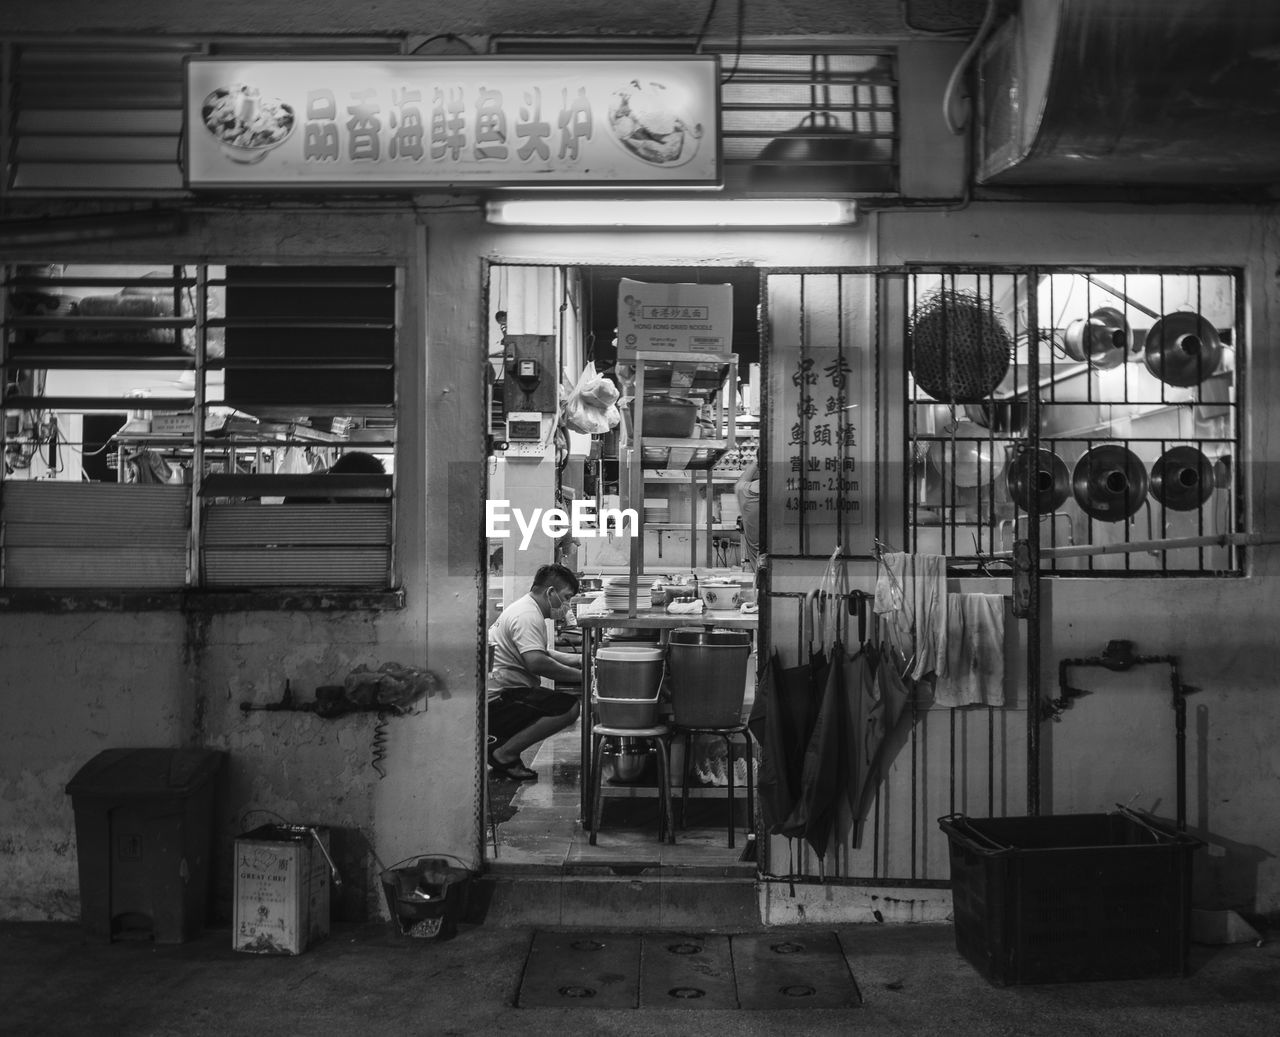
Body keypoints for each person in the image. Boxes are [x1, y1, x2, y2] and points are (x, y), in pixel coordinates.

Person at [485, 563, 583, 781]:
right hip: (500, 698)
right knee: (569, 708)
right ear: (550, 592)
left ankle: (502, 747)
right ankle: (503, 754)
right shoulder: (528, 615)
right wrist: (584, 678)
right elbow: (537, 662)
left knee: (551, 701)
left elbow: (541, 651)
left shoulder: (525, 607)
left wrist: (578, 660)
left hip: (504, 692)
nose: (567, 605)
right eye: (566, 598)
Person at [735, 458, 760, 571]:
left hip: (764, 579)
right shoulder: (786, 493)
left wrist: (757, 461)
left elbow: (741, 482)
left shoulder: (744, 492)